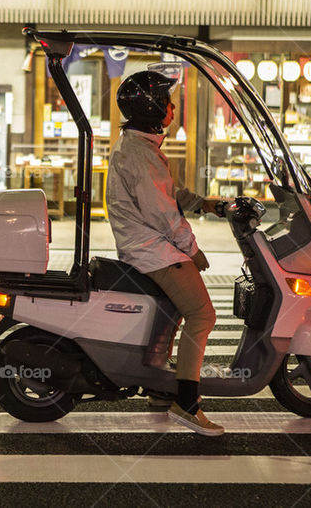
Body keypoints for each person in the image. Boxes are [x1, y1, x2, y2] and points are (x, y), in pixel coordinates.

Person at [106, 70, 225, 437]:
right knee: (203, 314)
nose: (174, 107)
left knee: (176, 307)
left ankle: (161, 385)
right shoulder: (142, 154)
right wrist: (194, 250)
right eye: (169, 101)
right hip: (150, 249)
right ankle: (187, 403)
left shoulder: (140, 146)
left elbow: (168, 193)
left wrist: (204, 203)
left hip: (148, 245)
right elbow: (162, 213)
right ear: (155, 108)